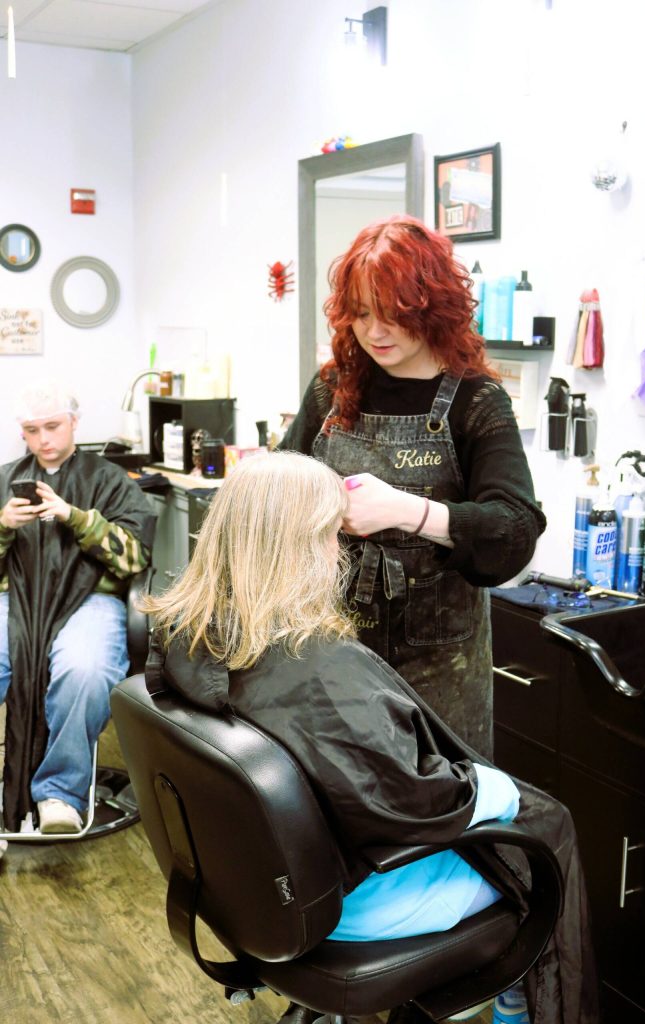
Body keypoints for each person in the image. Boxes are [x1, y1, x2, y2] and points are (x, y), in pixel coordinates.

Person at [144, 453, 599, 1024]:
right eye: (332, 534)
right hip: (355, 903)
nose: (340, 551)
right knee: (549, 826)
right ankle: (526, 995)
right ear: (302, 546)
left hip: (256, 886)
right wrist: (493, 789)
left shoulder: (189, 634)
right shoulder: (316, 670)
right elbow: (412, 803)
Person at [280, 215, 546, 760]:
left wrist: (407, 511)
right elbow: (281, 483)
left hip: (438, 667)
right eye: (361, 314)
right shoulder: (333, 389)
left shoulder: (476, 401)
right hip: (331, 647)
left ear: (431, 308)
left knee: (438, 795)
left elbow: (515, 529)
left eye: (393, 315)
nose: (375, 332)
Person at [0, 380, 155, 840]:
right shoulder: (4, 481)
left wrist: (76, 517)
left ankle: (60, 794)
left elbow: (135, 558)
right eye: (32, 430)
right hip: (16, 602)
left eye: (53, 426)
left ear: (74, 423)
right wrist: (3, 525)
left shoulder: (109, 482)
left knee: (84, 670)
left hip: (90, 600)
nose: (44, 439)